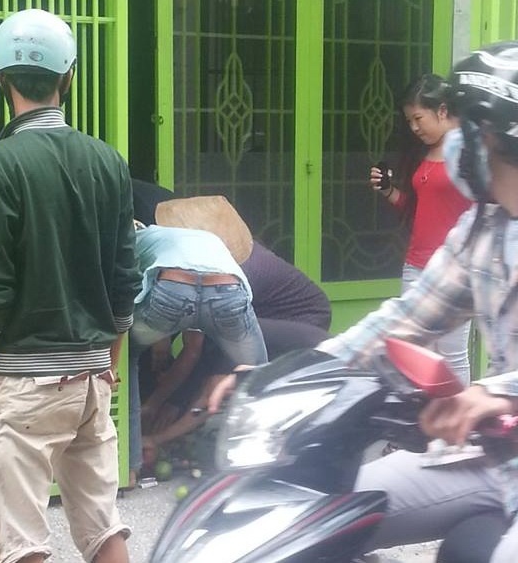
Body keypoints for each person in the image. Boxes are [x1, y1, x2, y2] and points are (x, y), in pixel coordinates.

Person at [211, 41, 518, 563]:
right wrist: (299, 373)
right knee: (309, 511)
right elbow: (405, 319)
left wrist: (496, 392)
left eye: (467, 128)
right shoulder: (483, 230)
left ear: (493, 136)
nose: (456, 143)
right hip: (495, 457)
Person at [0, 9, 141, 563]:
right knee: (104, 529)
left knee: (23, 543)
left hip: (28, 382)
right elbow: (125, 279)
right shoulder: (108, 161)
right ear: (68, 77)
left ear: (2, 79)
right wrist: (108, 361)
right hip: (91, 382)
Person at [128, 216, 268, 484]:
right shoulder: (206, 241)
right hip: (227, 292)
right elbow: (193, 349)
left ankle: (130, 468)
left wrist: (159, 340)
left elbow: (126, 291)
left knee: (127, 357)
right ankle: (260, 464)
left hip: (172, 290)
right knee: (256, 374)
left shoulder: (139, 238)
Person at [370, 74, 473, 383]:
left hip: (454, 270)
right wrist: (388, 190)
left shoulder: (470, 154)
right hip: (416, 265)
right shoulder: (422, 153)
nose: (414, 128)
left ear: (442, 110)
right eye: (409, 121)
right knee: (413, 347)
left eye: (418, 118)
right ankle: (423, 410)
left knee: (452, 355)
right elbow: (416, 210)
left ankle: (460, 411)